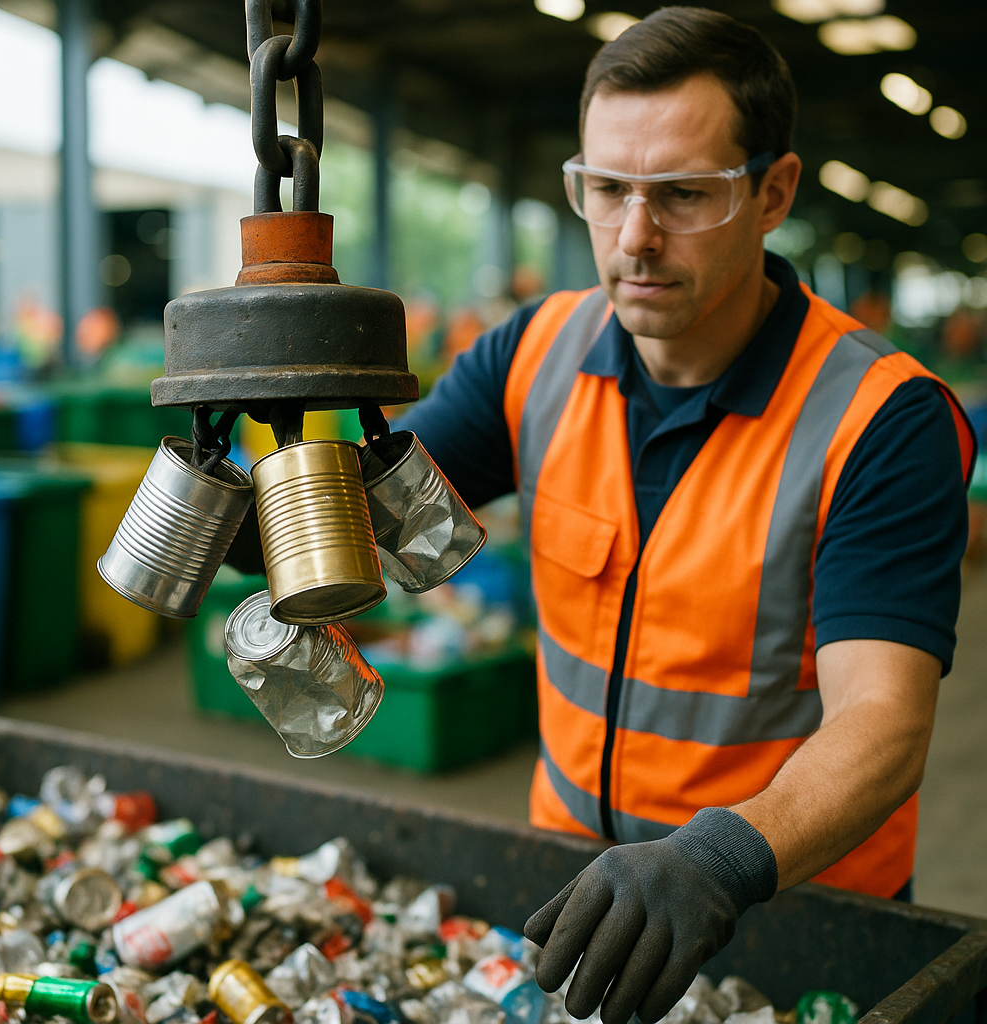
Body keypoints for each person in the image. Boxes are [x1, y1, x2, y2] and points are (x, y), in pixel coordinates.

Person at [398, 7, 977, 1024]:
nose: (633, 237)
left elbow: (881, 721)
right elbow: (375, 527)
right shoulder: (531, 353)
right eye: (606, 189)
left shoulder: (878, 418)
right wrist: (256, 485)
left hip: (791, 910)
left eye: (681, 195)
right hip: (572, 899)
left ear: (772, 193)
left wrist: (721, 856)